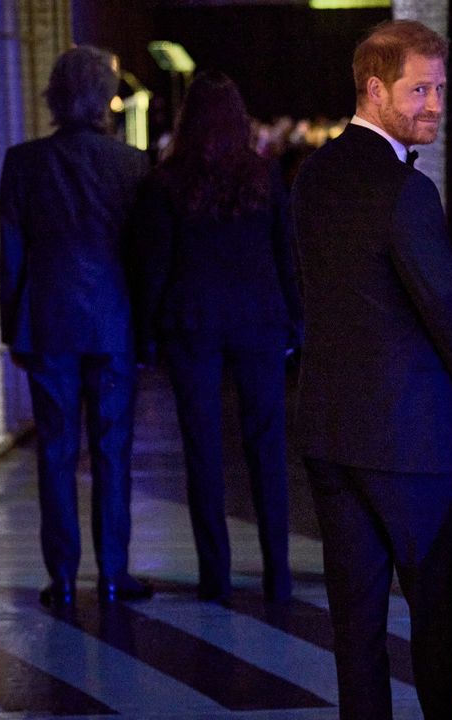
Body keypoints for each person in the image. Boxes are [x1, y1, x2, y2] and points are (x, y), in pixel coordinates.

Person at [291, 20, 452, 720]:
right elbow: (448, 310)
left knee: (356, 629)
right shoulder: (408, 191)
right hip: (411, 443)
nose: (434, 102)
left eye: (439, 87)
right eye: (419, 89)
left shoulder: (312, 173)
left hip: (330, 431)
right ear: (375, 90)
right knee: (440, 622)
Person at [130, 71, 300, 604]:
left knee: (202, 450)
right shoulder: (265, 177)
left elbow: (153, 266)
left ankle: (215, 576)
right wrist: (295, 321)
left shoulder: (165, 182)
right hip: (259, 321)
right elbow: (286, 255)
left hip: (192, 323)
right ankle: (278, 573)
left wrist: (147, 333)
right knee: (266, 448)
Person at [0, 46, 152, 607]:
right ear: (103, 97)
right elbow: (142, 257)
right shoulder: (132, 165)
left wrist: (12, 327)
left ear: (55, 95)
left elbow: (13, 252)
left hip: (47, 323)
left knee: (56, 451)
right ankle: (113, 572)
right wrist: (146, 330)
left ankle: (61, 576)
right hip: (113, 323)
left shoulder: (22, 162)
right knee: (113, 451)